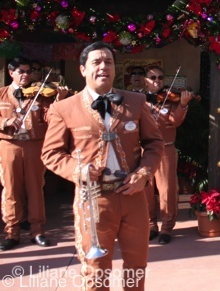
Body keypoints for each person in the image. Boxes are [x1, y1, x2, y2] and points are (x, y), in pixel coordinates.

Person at [41, 42, 164, 290]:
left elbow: (154, 143)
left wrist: (144, 173)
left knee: (136, 268)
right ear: (83, 69)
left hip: (134, 196)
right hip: (93, 199)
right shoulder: (63, 108)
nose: (103, 67)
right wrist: (78, 172)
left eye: (108, 61)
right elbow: (51, 153)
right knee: (95, 271)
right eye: (96, 62)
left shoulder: (136, 101)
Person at [0, 57, 69, 251]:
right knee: (11, 189)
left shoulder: (40, 95)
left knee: (36, 188)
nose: (25, 75)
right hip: (8, 144)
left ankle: (37, 231)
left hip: (34, 145)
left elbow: (50, 118)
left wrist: (58, 100)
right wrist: (4, 123)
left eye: (28, 71)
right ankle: (11, 232)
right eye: (21, 71)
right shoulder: (2, 94)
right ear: (10, 73)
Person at [143, 66, 193, 245]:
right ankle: (150, 225)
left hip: (165, 149)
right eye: (152, 77)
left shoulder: (170, 100)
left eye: (160, 77)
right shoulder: (139, 100)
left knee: (167, 190)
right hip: (143, 150)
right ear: (145, 80)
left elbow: (175, 121)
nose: (156, 80)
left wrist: (183, 104)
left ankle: (166, 227)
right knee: (144, 189)